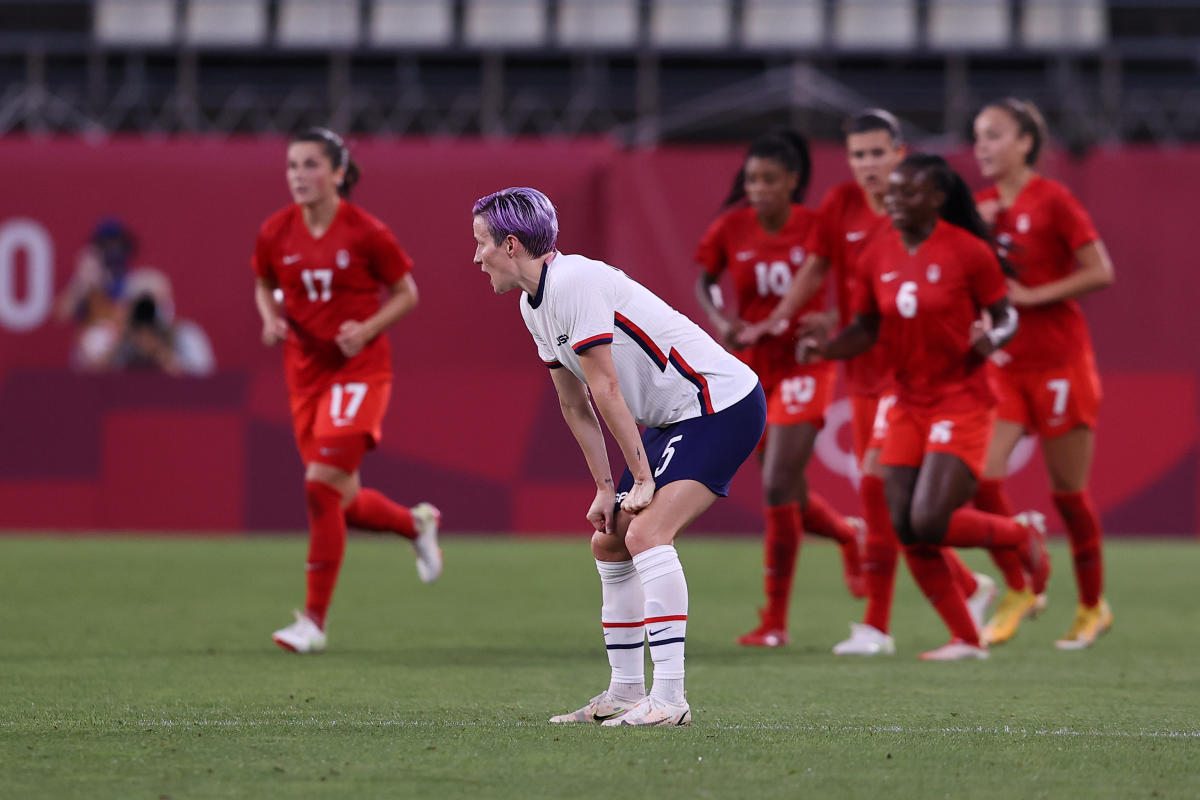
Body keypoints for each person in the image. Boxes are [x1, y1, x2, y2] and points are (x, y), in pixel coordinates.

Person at [472, 186, 765, 726]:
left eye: (482, 243)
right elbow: (573, 402)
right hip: (674, 417)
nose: (476, 256)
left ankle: (671, 700)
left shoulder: (575, 280)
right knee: (609, 540)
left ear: (511, 245)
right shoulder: (531, 304)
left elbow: (604, 387)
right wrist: (608, 488)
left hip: (719, 403)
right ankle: (627, 693)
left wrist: (640, 476)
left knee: (646, 534)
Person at [739, 111, 994, 657]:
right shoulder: (840, 207)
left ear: (900, 153)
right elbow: (816, 269)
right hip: (864, 371)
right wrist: (780, 319)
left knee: (885, 496)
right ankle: (970, 587)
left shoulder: (917, 209)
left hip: (916, 376)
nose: (868, 165)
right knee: (890, 501)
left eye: (878, 153)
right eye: (858, 155)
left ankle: (878, 625)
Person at [798, 154, 1048, 661]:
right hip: (908, 398)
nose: (895, 201)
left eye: (908, 193)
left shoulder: (968, 252)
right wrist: (825, 348)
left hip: (962, 399)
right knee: (904, 523)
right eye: (892, 193)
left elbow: (1006, 317)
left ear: (937, 198)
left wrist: (989, 340)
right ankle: (966, 639)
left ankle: (1019, 536)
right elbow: (867, 328)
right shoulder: (877, 255)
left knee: (929, 521)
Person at [252, 127, 442, 654]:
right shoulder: (275, 231)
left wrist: (367, 328)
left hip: (360, 371)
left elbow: (407, 293)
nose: (299, 175)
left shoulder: (365, 232)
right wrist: (270, 318)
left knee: (318, 487)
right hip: (305, 375)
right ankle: (416, 522)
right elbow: (263, 283)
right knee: (345, 500)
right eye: (292, 165)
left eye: (311, 165)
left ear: (338, 173)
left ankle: (312, 622)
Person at [691, 130, 866, 649]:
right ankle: (847, 534)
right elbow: (705, 278)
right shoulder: (731, 227)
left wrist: (831, 319)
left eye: (769, 179)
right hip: (753, 369)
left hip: (807, 365)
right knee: (784, 486)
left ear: (793, 181)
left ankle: (775, 622)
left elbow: (855, 287)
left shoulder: (817, 228)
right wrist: (720, 318)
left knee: (776, 486)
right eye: (751, 179)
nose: (758, 188)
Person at [971, 99, 1116, 649]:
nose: (981, 145)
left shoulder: (1055, 200)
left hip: (1060, 365)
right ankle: (1021, 583)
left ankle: (1090, 605)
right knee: (981, 477)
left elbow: (1101, 271)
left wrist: (1032, 295)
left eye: (993, 135)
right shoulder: (980, 207)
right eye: (978, 136)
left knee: (1069, 495)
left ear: (1025, 142)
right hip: (1007, 366)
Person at [55, 217, 137, 370]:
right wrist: (81, 281)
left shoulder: (135, 281)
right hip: (89, 362)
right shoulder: (86, 283)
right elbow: (62, 315)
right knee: (96, 340)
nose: (113, 250)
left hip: (126, 358)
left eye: (117, 243)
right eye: (107, 244)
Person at [107, 292, 215, 376]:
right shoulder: (125, 339)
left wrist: (164, 356)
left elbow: (205, 379)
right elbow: (101, 379)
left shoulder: (186, 335)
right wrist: (121, 341)